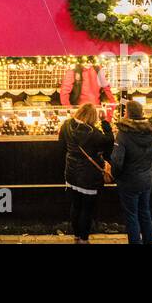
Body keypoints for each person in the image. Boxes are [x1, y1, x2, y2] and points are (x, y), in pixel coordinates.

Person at [58, 102, 113, 243]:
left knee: (75, 206)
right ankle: (84, 238)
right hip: (89, 177)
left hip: (71, 173)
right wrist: (106, 124)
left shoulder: (66, 125)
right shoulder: (94, 133)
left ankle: (76, 236)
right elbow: (109, 143)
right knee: (87, 209)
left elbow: (61, 145)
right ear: (92, 117)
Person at [110, 101, 152, 244]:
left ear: (128, 113)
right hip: (146, 179)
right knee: (145, 213)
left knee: (131, 215)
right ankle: (149, 241)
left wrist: (115, 175)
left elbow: (117, 160)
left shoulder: (124, 134)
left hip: (129, 180)